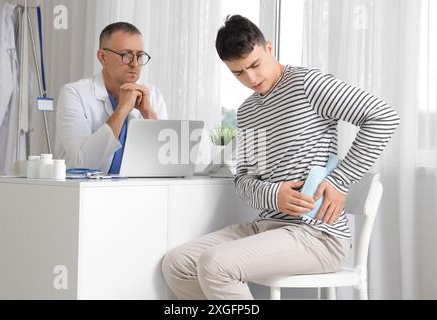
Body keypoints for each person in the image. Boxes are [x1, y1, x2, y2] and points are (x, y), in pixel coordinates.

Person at [161, 15, 400, 300]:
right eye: (238, 73)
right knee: (177, 263)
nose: (250, 78)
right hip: (267, 228)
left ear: (269, 48)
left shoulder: (309, 85)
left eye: (254, 65)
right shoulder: (248, 111)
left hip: (318, 236)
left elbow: (383, 117)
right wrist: (275, 195)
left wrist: (340, 181)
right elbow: (244, 181)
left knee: (215, 265)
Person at [55, 22, 167, 173]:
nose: (134, 64)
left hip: (135, 190)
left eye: (139, 56)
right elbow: (84, 162)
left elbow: (166, 162)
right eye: (126, 55)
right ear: (102, 57)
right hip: (84, 191)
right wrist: (121, 110)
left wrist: (148, 113)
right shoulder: (74, 94)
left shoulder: (152, 95)